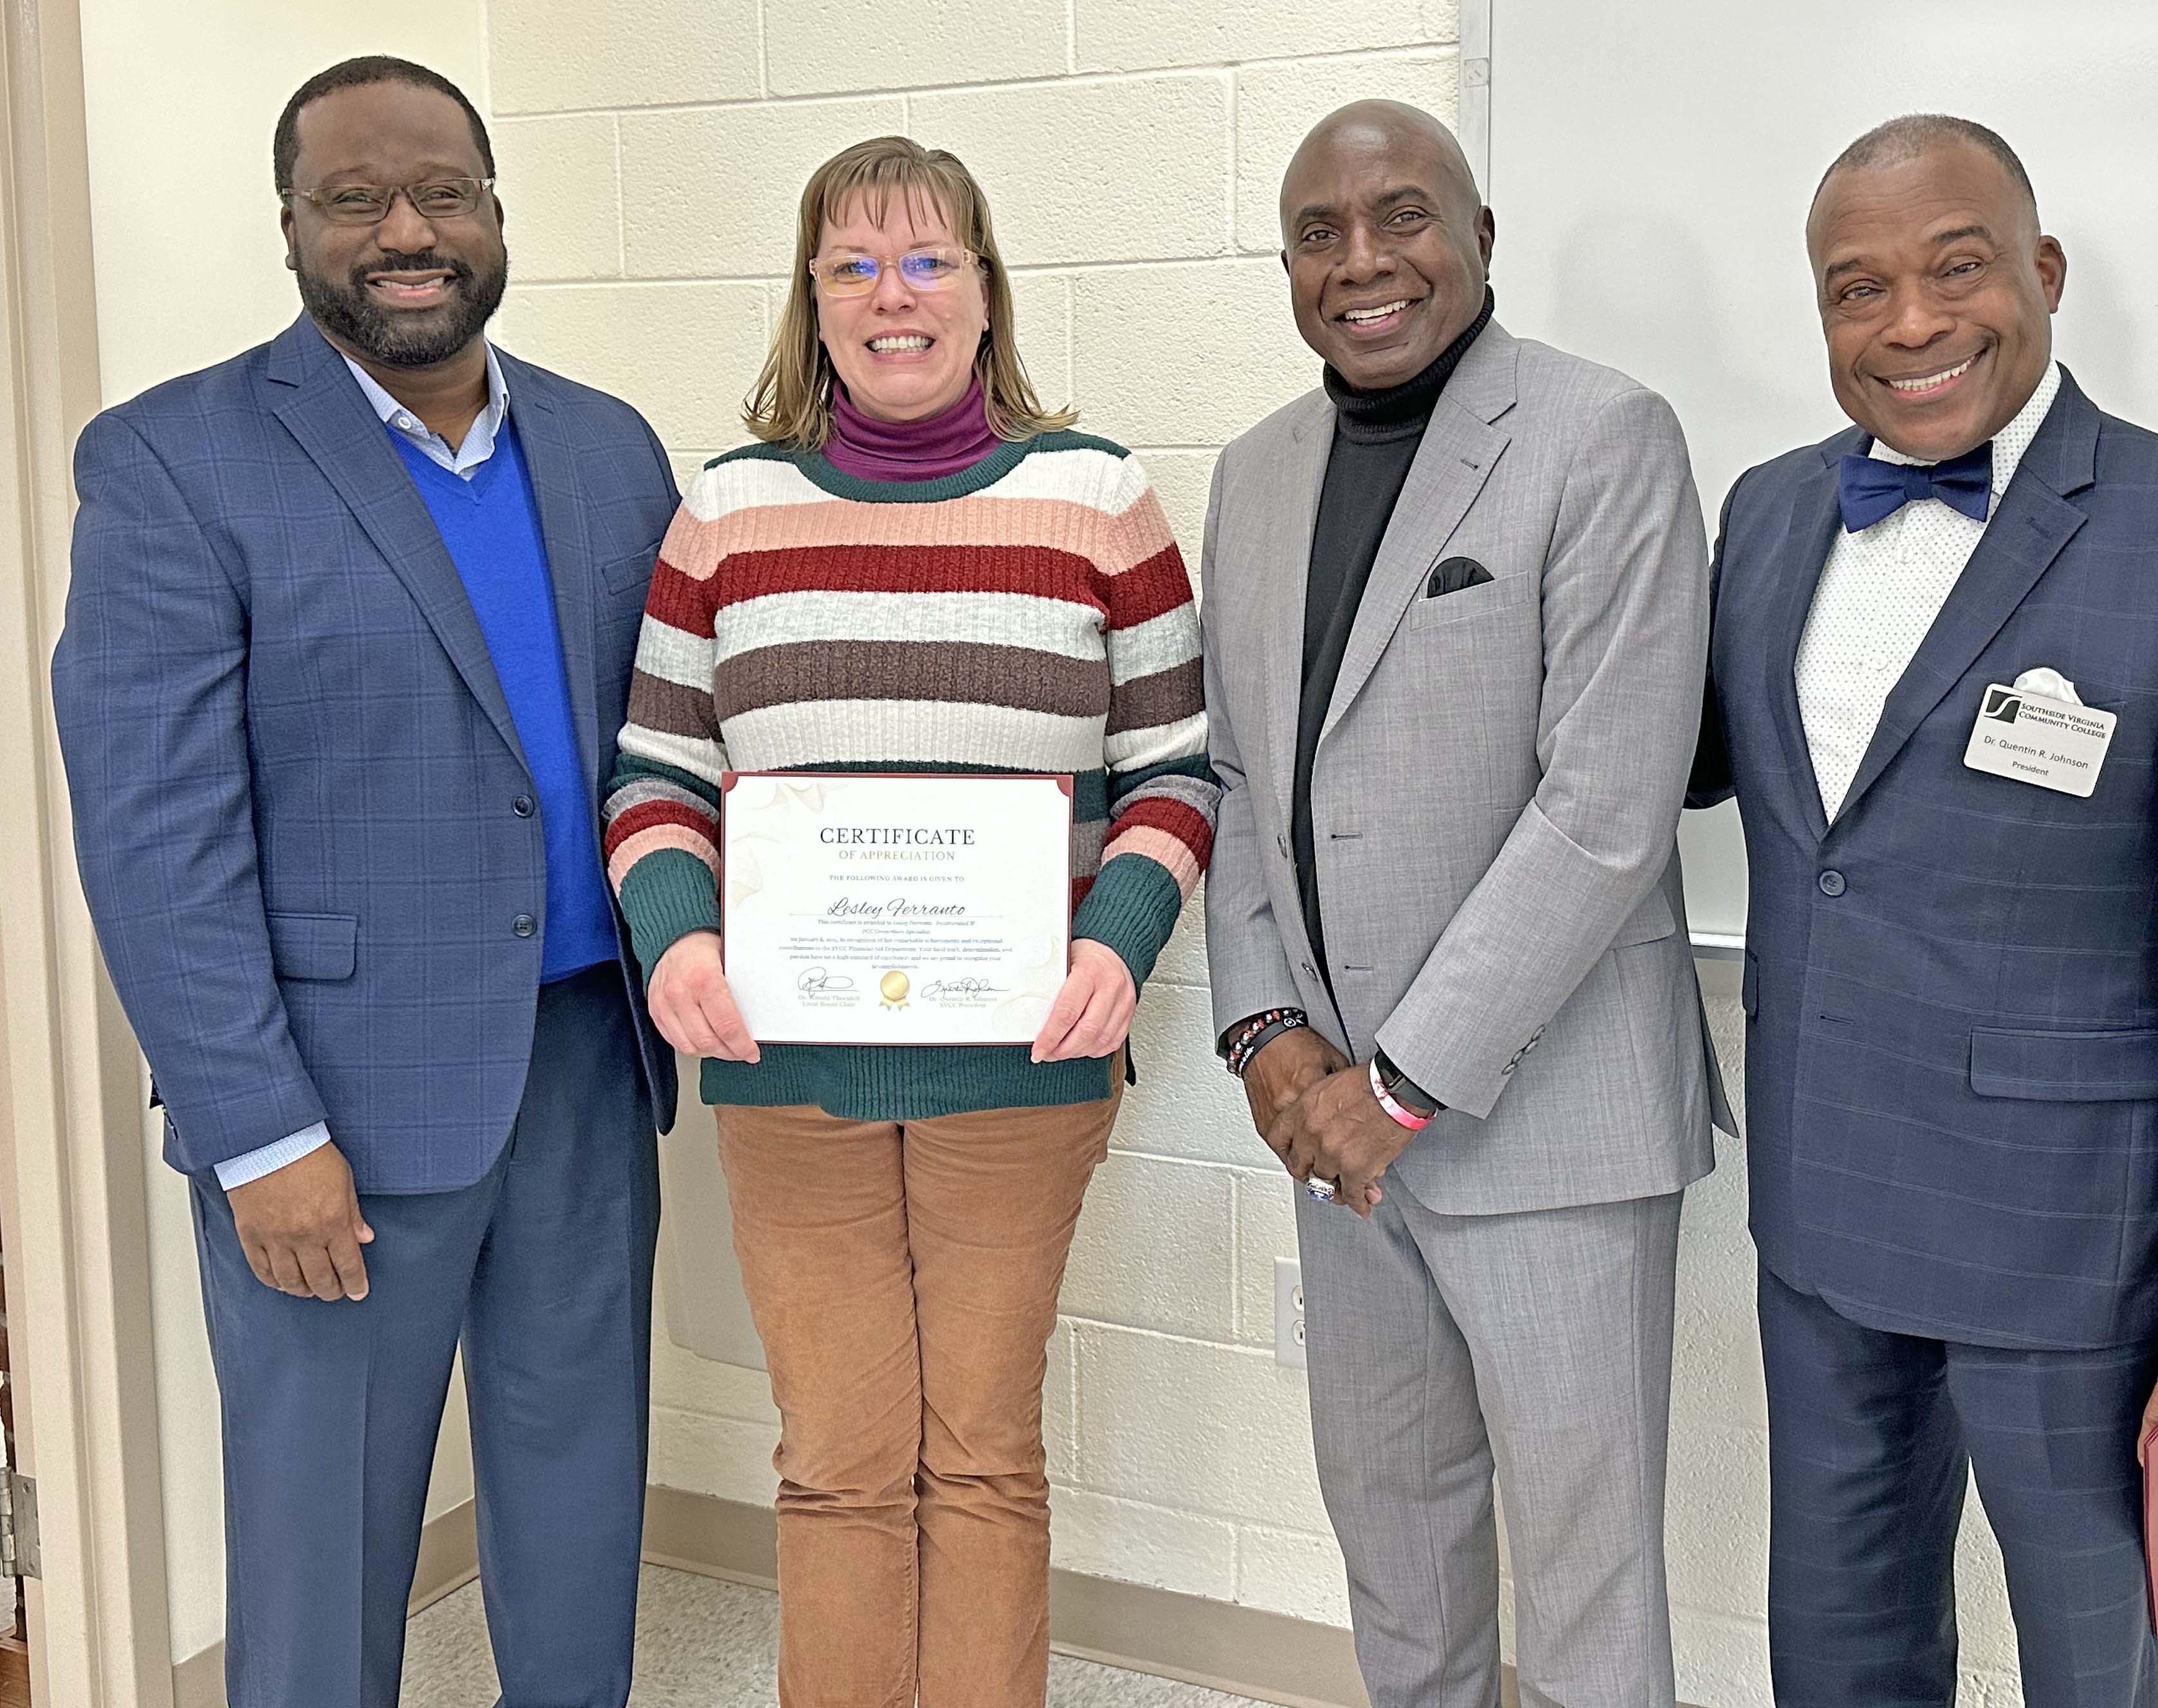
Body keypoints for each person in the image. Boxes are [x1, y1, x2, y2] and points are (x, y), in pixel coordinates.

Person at [1690, 114, 2158, 1707]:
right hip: (1821, 1216)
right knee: (1840, 1648)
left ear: (2042, 271)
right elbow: (1704, 774)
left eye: (1955, 268)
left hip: (2079, 1246)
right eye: (1856, 290)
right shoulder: (1775, 512)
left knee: (2090, 1664)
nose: (1911, 323)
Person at [51, 55, 678, 1708]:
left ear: (491, 212)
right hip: (332, 1106)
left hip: (583, 1068)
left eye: (441, 193)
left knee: (576, 1491)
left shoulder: (611, 451)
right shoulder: (173, 463)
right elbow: (151, 833)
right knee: (325, 1552)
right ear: (292, 227)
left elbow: (673, 758)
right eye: (356, 199)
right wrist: (259, 1132)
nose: (406, 230)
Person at [601, 134, 1217, 1708]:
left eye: (929, 258)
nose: (893, 294)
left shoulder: (1097, 496)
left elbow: (1173, 767)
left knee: (984, 1457)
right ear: (810, 304)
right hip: (786, 1071)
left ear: (985, 289)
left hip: (1019, 1064)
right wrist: (676, 934)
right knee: (840, 1463)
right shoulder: (724, 516)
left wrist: (1116, 939)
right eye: (853, 265)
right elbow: (658, 770)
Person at [1200, 101, 1727, 1708]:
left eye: (1402, 215)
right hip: (1332, 1134)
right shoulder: (1254, 472)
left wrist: (1401, 1083)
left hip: (1543, 1122)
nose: (1362, 260)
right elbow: (1236, 779)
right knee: (1394, 1545)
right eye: (1318, 232)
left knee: (1584, 1578)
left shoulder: (1602, 433)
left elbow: (1607, 809)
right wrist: (1266, 1035)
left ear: (1480, 235)